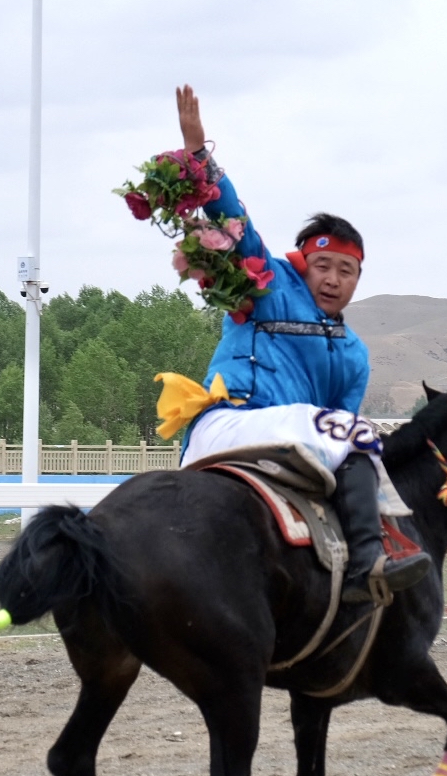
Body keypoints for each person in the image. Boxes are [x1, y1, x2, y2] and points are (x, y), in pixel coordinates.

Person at [159, 85, 431, 601]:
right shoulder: (270, 284)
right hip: (228, 426)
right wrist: (199, 155)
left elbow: (338, 435)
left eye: (345, 271)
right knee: (358, 433)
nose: (332, 279)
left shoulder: (354, 354)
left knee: (351, 441)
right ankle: (369, 562)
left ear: (357, 280)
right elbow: (233, 220)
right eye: (322, 266)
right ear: (303, 266)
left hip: (292, 445)